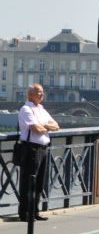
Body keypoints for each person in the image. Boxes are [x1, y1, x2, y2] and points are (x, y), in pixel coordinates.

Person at [18, 84, 59, 222]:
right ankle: (25, 213)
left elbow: (56, 126)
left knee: (39, 182)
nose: (42, 94)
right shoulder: (26, 109)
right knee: (28, 181)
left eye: (42, 92)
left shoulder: (42, 110)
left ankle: (35, 211)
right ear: (30, 94)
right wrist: (45, 126)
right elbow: (36, 129)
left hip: (43, 149)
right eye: (38, 92)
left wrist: (44, 125)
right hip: (31, 149)